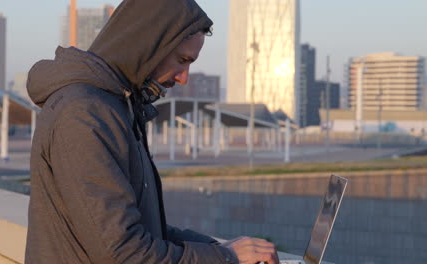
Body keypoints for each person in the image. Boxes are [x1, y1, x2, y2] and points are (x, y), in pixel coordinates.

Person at [25, 0, 279, 263]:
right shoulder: (84, 113)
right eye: (182, 60)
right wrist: (224, 257)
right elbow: (123, 252)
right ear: (147, 45)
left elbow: (142, 229)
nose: (183, 77)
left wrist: (221, 248)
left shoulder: (116, 106)